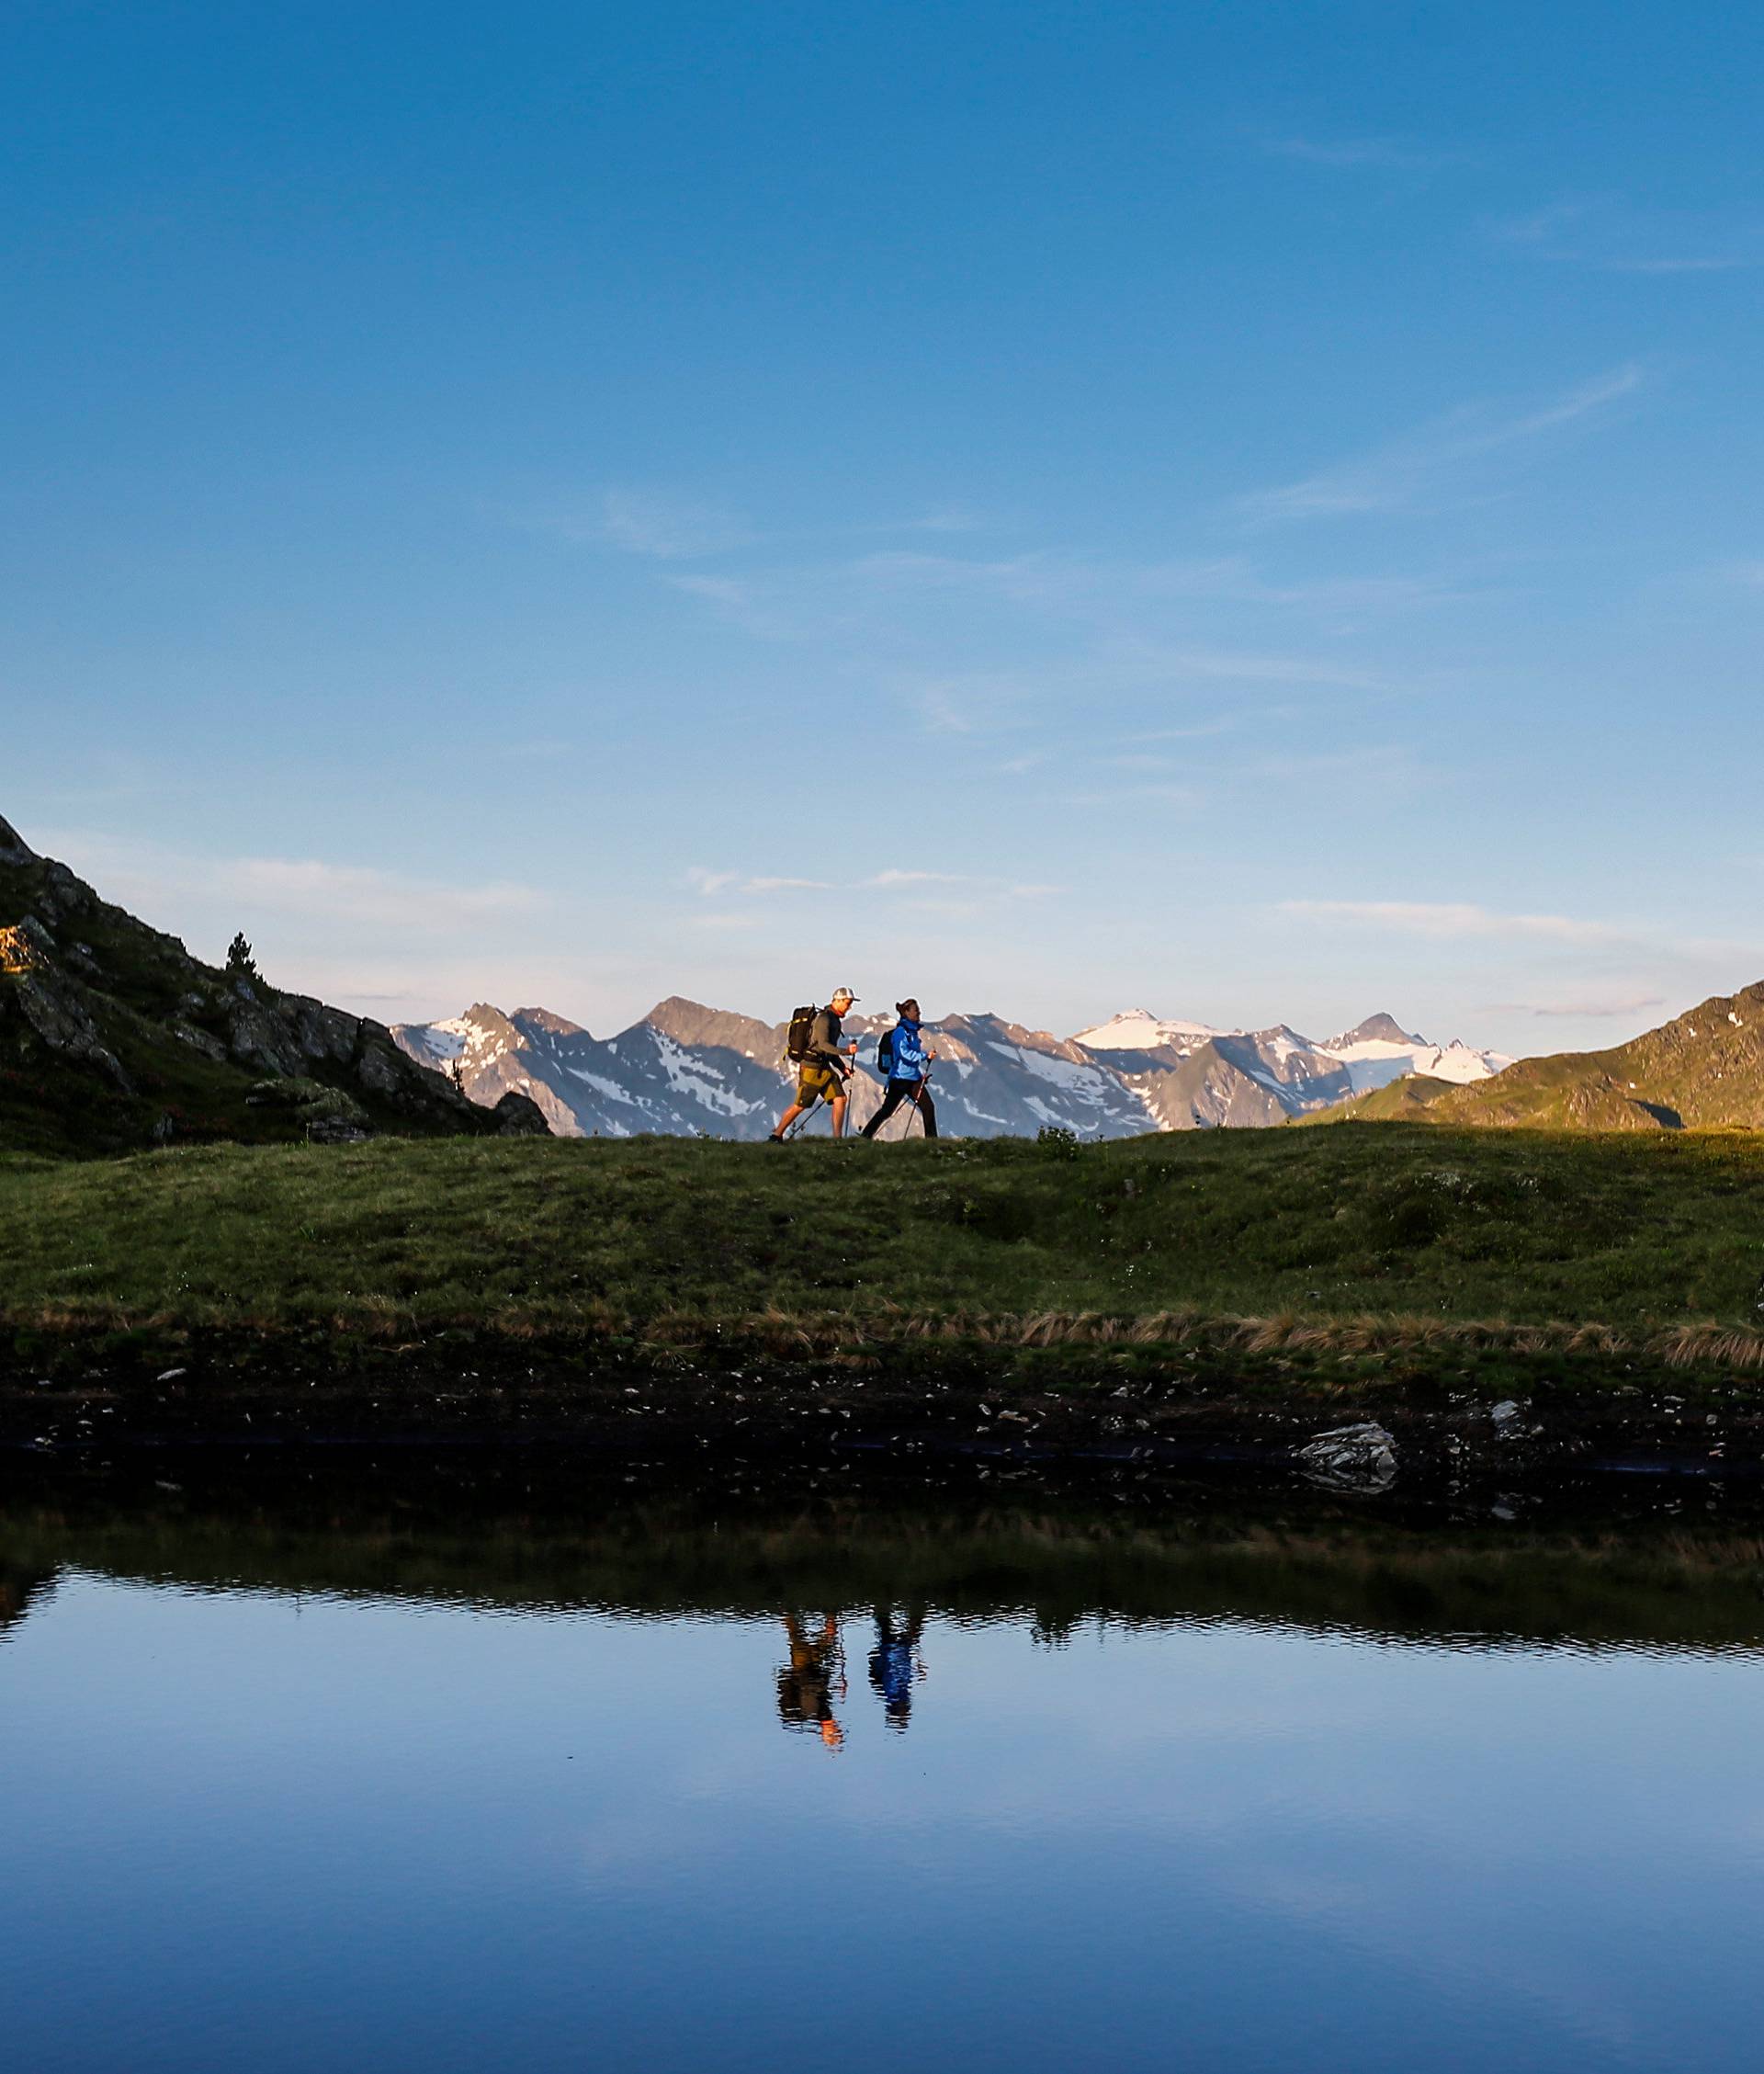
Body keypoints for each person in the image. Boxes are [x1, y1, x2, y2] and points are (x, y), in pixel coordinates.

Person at [769, 987, 860, 1141]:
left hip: (823, 1066)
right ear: (837, 1001)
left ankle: (837, 1140)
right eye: (847, 1003)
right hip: (811, 1068)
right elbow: (823, 1045)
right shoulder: (824, 1019)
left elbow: (828, 1051)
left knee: (840, 1098)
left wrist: (842, 1068)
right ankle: (776, 1135)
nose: (849, 1007)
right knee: (800, 1105)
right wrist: (847, 1052)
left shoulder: (834, 1020)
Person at [860, 998, 938, 1139]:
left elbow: (910, 1059)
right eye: (916, 1010)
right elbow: (904, 1054)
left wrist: (920, 1075)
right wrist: (925, 1056)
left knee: (928, 1107)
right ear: (906, 1012)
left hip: (913, 1078)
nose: (919, 1013)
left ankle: (932, 1140)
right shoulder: (900, 1032)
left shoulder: (912, 1032)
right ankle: (865, 1135)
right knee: (887, 1111)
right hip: (900, 1078)